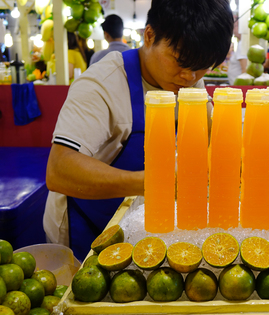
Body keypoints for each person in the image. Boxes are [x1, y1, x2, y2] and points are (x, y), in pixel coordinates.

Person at [44, 0, 234, 260]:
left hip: (141, 225)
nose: (190, 78)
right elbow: (59, 170)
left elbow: (211, 130)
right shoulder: (102, 84)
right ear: (149, 35)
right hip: (85, 230)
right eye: (181, 62)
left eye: (203, 67)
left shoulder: (189, 78)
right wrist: (155, 182)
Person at [227, 16, 247, 85]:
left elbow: (244, 69)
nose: (233, 29)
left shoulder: (242, 44)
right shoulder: (241, 43)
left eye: (235, 26)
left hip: (237, 87)